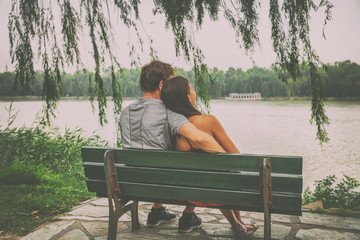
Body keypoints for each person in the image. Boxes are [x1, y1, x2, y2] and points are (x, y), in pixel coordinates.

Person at [119, 60, 226, 233]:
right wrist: (227, 158)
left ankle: (156, 211)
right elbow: (199, 139)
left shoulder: (125, 112)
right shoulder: (169, 111)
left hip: (132, 184)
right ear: (162, 85)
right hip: (167, 184)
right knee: (197, 155)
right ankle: (188, 216)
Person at [161, 75, 259, 239]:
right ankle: (238, 224)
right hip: (217, 190)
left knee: (209, 177)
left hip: (188, 191)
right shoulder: (208, 121)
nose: (194, 91)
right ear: (187, 96)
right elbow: (237, 159)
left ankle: (238, 224)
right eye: (191, 88)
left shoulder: (170, 128)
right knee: (228, 174)